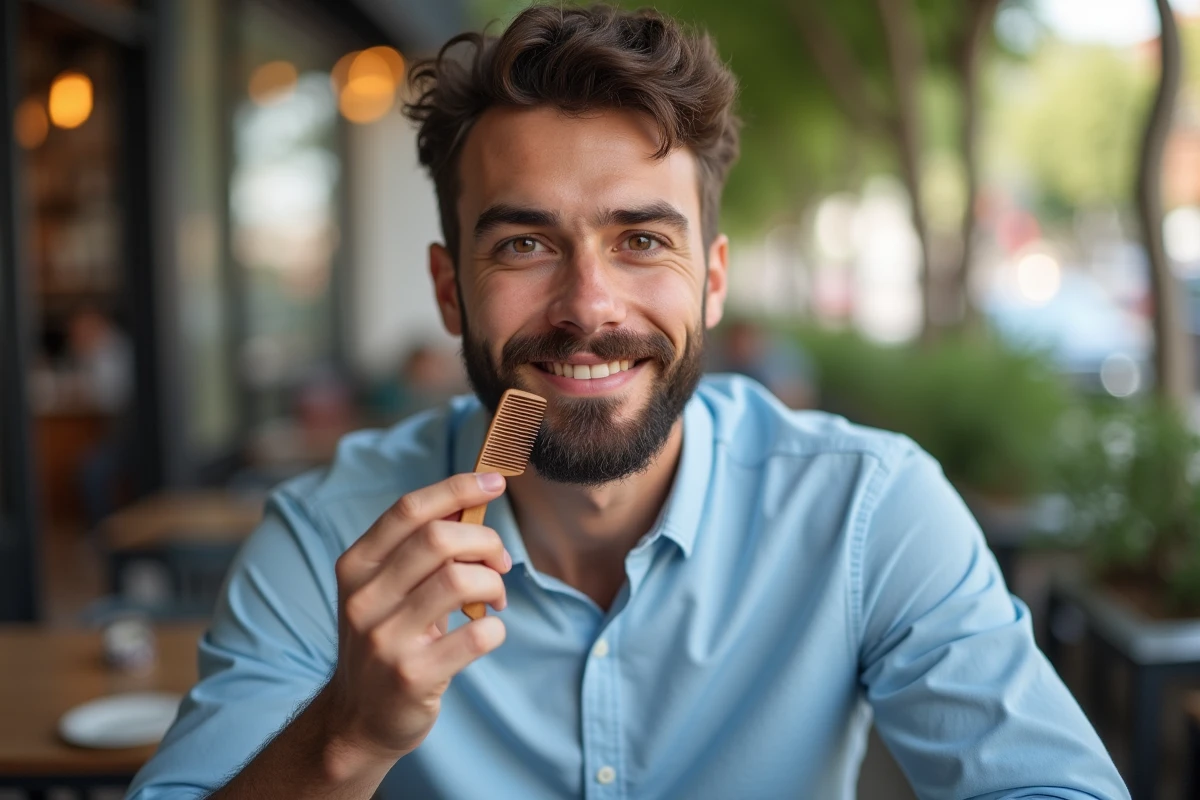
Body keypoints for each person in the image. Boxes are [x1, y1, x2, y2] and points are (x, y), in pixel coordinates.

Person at [129, 5, 1128, 799]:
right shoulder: (330, 538)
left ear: (714, 279)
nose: (587, 308)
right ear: (449, 288)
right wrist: (343, 738)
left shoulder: (868, 508)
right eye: (524, 243)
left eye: (642, 239)